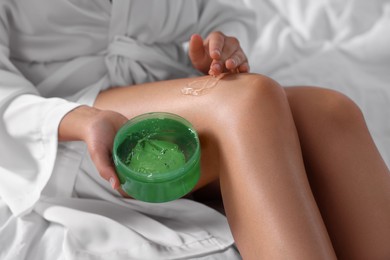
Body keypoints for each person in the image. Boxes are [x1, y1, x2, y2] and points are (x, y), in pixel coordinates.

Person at [0, 0, 389, 259]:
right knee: (249, 102)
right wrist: (79, 120)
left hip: (164, 92)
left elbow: (217, 13)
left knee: (330, 112)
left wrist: (223, 44)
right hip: (65, 126)